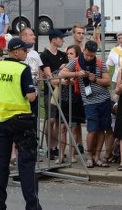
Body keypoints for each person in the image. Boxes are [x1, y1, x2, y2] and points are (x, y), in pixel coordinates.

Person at [0, 37, 51, 210]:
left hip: (0, 120)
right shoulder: (22, 69)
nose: (26, 53)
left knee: (1, 166)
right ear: (16, 52)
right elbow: (31, 96)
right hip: (21, 122)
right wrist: (35, 90)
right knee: (26, 166)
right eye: (24, 50)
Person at [75, 40, 112, 168]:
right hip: (89, 101)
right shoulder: (76, 62)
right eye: (87, 55)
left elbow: (108, 81)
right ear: (84, 50)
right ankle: (89, 156)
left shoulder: (100, 63)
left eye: (92, 55)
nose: (90, 57)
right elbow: (62, 73)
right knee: (92, 129)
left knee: (102, 129)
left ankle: (97, 156)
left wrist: (95, 79)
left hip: (104, 99)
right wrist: (77, 74)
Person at [40, 29, 69, 160]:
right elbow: (49, 76)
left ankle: (55, 146)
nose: (63, 40)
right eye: (60, 38)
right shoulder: (45, 55)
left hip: (62, 91)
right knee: (50, 119)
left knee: (58, 120)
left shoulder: (63, 55)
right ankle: (49, 147)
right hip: (50, 92)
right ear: (53, 39)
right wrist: (59, 79)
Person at [57, 45, 86, 162]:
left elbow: (81, 81)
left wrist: (73, 80)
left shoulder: (80, 66)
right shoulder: (65, 67)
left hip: (76, 100)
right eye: (67, 54)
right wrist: (63, 80)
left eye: (71, 54)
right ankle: (61, 155)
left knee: (74, 127)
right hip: (64, 99)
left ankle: (73, 155)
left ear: (77, 55)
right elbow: (59, 76)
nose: (69, 56)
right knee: (62, 127)